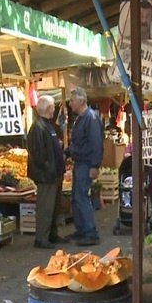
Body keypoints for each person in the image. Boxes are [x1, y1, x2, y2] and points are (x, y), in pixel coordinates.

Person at [64, 87, 103, 246]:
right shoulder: (81, 118)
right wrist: (67, 152)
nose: (70, 103)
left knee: (81, 197)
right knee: (76, 197)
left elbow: (96, 144)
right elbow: (77, 142)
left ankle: (90, 232)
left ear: (81, 100)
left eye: (72, 100)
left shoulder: (91, 118)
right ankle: (81, 229)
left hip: (86, 163)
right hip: (80, 162)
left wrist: (94, 165)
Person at [26, 95, 66, 249]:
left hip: (54, 173)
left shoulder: (46, 125)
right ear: (48, 108)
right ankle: (41, 238)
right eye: (53, 107)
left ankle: (52, 234)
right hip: (46, 175)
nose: (54, 109)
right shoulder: (37, 127)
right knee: (45, 207)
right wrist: (47, 167)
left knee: (54, 207)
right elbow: (37, 152)